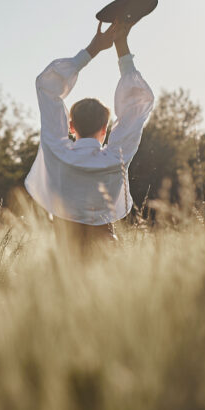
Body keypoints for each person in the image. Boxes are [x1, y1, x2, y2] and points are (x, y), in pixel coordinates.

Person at [24, 19, 154, 249]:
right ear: (105, 130)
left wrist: (92, 50)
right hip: (105, 252)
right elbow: (136, 104)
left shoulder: (58, 151)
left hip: (66, 255)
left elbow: (46, 86)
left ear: (71, 127)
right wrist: (121, 47)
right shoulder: (115, 157)